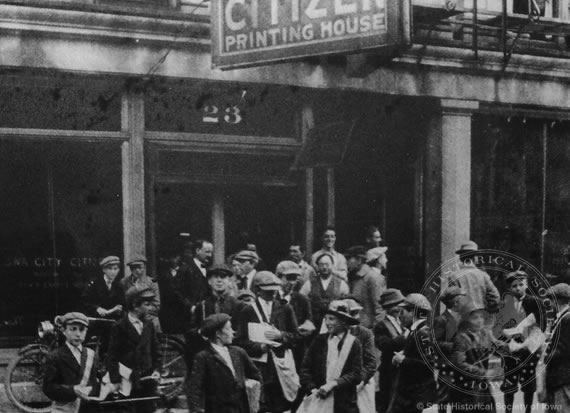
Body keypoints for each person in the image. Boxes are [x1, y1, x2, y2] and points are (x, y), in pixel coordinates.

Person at [236, 271, 299, 413]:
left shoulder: (285, 308)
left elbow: (296, 337)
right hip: (258, 366)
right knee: (260, 404)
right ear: (258, 290)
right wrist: (260, 347)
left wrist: (280, 335)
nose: (273, 294)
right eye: (268, 291)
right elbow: (240, 341)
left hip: (281, 366)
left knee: (282, 404)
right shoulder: (247, 310)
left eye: (275, 290)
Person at [187, 313, 262, 413]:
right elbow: (194, 389)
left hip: (241, 408)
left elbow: (256, 376)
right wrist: (196, 410)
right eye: (229, 328)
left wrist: (256, 397)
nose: (233, 332)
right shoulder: (203, 357)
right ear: (218, 334)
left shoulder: (239, 352)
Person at [300, 300, 362, 413]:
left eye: (331, 319)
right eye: (326, 319)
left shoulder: (353, 343)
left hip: (343, 403)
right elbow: (305, 369)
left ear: (343, 321)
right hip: (318, 401)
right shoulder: (319, 341)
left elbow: (356, 374)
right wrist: (312, 388)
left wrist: (334, 384)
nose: (327, 323)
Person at [107, 286, 160, 413]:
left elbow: (155, 350)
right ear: (135, 306)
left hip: (147, 380)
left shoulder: (149, 325)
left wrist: (157, 369)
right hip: (127, 381)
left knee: (147, 409)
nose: (150, 308)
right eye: (147, 304)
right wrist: (115, 381)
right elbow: (112, 356)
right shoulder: (119, 327)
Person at [186, 264, 246, 370]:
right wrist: (200, 332)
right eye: (215, 277)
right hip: (209, 357)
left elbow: (243, 333)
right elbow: (191, 331)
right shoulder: (202, 306)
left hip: (231, 355)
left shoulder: (238, 305)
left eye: (223, 277)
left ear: (229, 281)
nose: (219, 281)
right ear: (209, 282)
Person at [450, 301, 506, 413]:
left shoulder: (483, 335)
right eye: (475, 318)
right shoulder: (461, 338)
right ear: (466, 320)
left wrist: (504, 346)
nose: (480, 320)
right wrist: (484, 373)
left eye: (481, 317)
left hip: (482, 390)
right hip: (465, 391)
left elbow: (493, 348)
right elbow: (460, 364)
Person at [500, 270, 542, 413]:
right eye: (514, 286)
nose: (517, 288)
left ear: (526, 285)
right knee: (508, 385)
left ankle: (528, 411)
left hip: (527, 350)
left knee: (528, 385)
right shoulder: (505, 304)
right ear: (509, 289)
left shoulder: (534, 302)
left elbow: (539, 326)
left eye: (520, 284)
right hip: (510, 351)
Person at [388, 293, 437, 413]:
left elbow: (428, 364)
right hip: (411, 397)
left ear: (413, 313)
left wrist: (403, 360)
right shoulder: (416, 332)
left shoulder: (422, 334)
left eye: (403, 312)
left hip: (417, 398)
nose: (400, 316)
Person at [43, 312, 98, 413]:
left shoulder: (91, 354)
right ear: (64, 331)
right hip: (64, 409)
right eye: (73, 329)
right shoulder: (55, 356)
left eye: (82, 330)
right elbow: (49, 388)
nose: (78, 334)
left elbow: (93, 382)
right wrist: (72, 390)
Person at [434, 286, 467, 413]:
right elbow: (435, 343)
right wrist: (454, 346)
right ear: (455, 302)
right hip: (447, 367)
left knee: (459, 400)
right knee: (443, 399)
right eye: (462, 298)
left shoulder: (464, 319)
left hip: (461, 366)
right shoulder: (441, 320)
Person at [374, 289, 407, 413]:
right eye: (396, 304)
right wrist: (405, 338)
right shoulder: (381, 325)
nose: (399, 307)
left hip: (402, 370)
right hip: (388, 370)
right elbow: (384, 345)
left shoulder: (402, 322)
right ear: (388, 307)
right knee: (388, 402)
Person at [299, 252, 349, 332]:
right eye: (321, 264)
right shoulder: (309, 283)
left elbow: (346, 304)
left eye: (327, 264)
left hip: (334, 325)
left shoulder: (341, 284)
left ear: (332, 265)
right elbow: (301, 299)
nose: (325, 267)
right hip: (314, 324)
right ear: (317, 266)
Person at [344, 298, 378, 412]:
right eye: (352, 313)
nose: (356, 317)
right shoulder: (333, 334)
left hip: (362, 383)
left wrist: (360, 383)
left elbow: (371, 363)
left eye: (357, 313)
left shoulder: (365, 334)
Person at [449, 241, 500, 314]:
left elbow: (452, 301)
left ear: (461, 258)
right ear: (475, 258)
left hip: (462, 319)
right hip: (480, 319)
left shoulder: (454, 276)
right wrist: (485, 309)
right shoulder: (483, 275)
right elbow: (496, 297)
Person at [544, 283, 570, 411]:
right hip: (558, 377)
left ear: (558, 300)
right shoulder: (561, 318)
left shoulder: (567, 319)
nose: (550, 305)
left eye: (551, 300)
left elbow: (563, 349)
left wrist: (543, 355)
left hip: (563, 377)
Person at [345, 245, 384, 328]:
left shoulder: (372, 278)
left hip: (367, 329)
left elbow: (379, 309)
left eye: (349, 259)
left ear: (359, 260)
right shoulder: (352, 277)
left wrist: (375, 332)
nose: (346, 262)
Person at [120, 255, 161, 331]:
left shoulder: (152, 283)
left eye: (140, 267)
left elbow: (156, 306)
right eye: (134, 268)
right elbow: (123, 303)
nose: (137, 270)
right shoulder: (124, 282)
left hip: (149, 318)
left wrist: (141, 312)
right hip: (130, 320)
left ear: (144, 267)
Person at [81, 255, 125, 320]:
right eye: (110, 268)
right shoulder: (94, 284)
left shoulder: (119, 286)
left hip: (113, 321)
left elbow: (123, 304)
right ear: (104, 270)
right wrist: (97, 308)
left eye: (115, 269)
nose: (113, 272)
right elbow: (84, 302)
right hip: (97, 320)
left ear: (118, 270)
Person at [157, 255, 193, 335]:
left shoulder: (186, 271)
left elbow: (190, 290)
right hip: (167, 309)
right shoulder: (164, 272)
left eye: (175, 257)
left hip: (182, 309)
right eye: (171, 257)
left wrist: (187, 303)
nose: (173, 260)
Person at [179, 239, 214, 306]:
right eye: (207, 252)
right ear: (197, 251)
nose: (210, 255)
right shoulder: (184, 269)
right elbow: (178, 292)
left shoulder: (209, 269)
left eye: (211, 252)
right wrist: (189, 306)